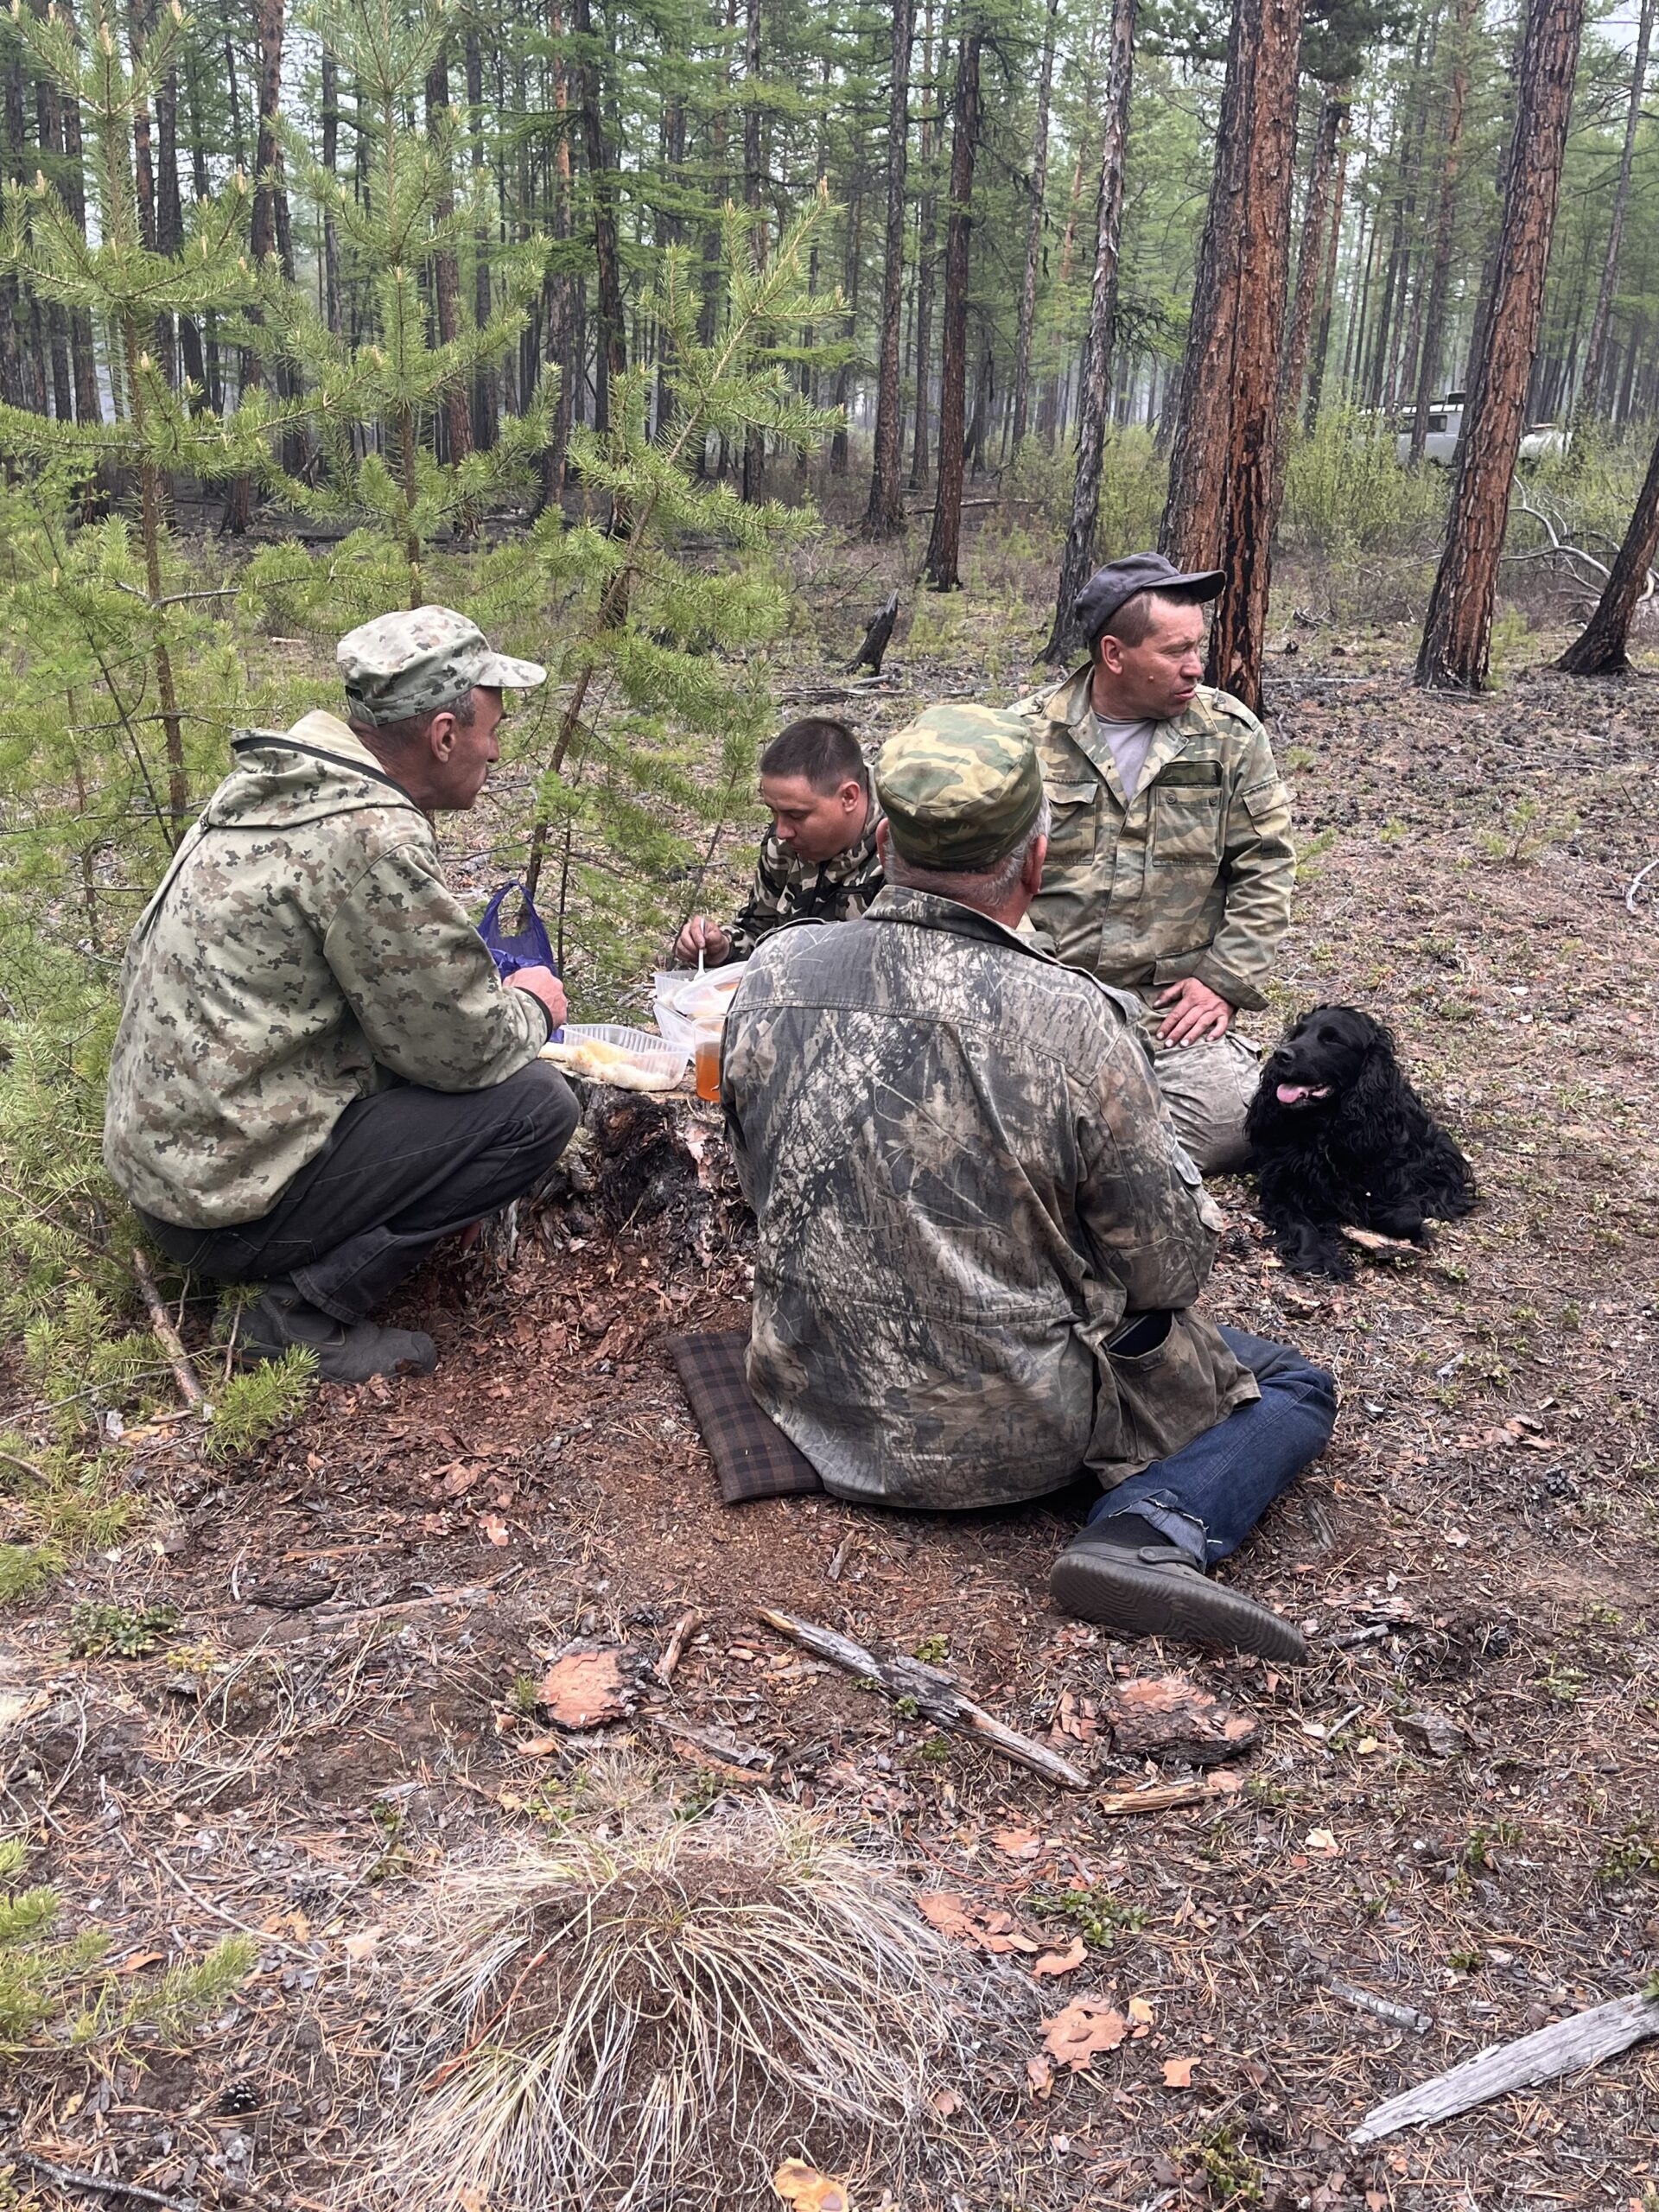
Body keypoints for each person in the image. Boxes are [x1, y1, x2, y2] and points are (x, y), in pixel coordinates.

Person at [721, 710, 1335, 1662]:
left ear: (882, 842)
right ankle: (1149, 1530)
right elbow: (1168, 1271)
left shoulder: (774, 970)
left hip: (807, 1391)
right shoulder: (1074, 1019)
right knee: (1293, 1383)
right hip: (1009, 1436)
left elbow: (758, 1179)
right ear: (1036, 862)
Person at [103, 607, 580, 1384]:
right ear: (444, 735)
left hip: (171, 1181)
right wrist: (535, 1006)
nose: (496, 750)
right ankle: (296, 1315)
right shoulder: (370, 837)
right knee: (537, 1106)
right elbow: (465, 1050)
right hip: (227, 1211)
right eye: (493, 730)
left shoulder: (278, 787)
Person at [1014, 551, 1295, 1173]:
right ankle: (1102, 1152)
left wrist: (1223, 980)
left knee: (1233, 1122)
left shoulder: (1230, 736)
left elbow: (1267, 866)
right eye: (1176, 651)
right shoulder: (1023, 738)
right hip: (1045, 991)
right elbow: (987, 872)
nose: (1196, 666)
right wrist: (1031, 975)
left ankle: (1075, 1156)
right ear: (1114, 654)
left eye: (1198, 646)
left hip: (1163, 1005)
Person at [672, 715, 884, 967]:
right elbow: (758, 930)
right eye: (773, 811)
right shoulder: (785, 840)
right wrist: (723, 948)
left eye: (796, 815)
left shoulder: (902, 853)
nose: (781, 832)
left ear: (849, 797)